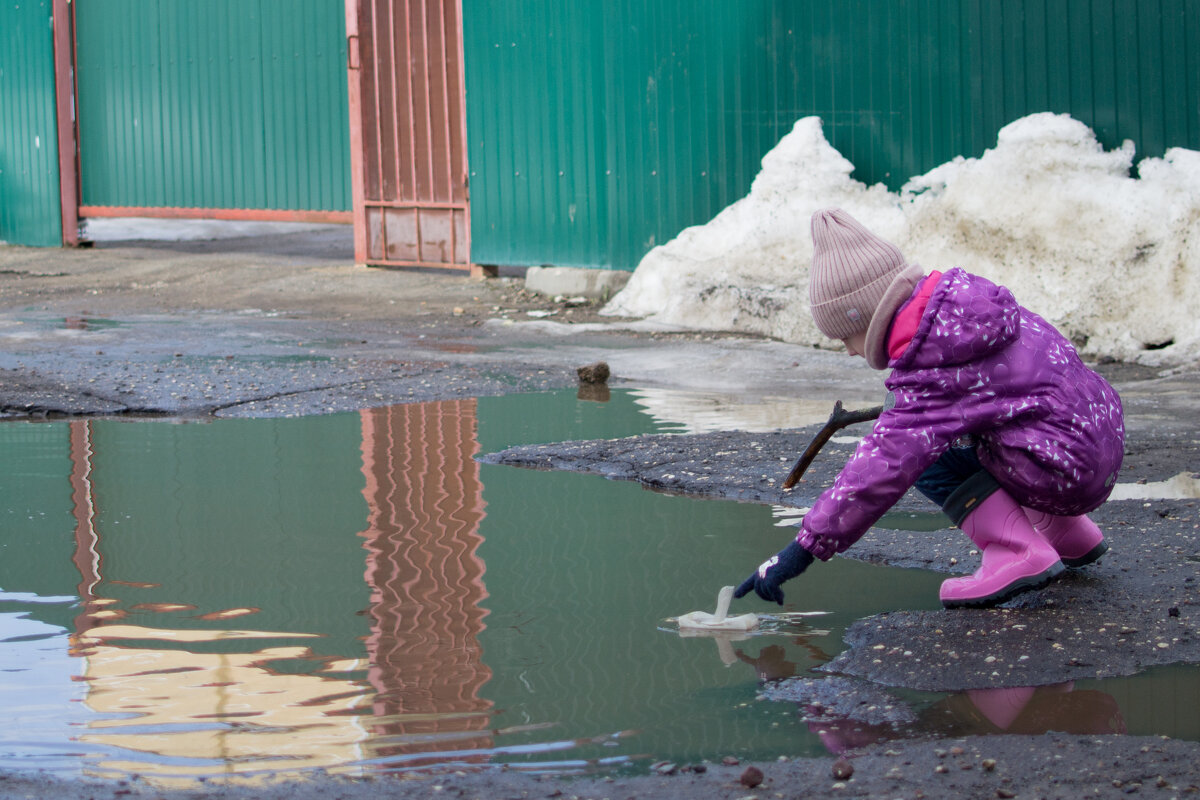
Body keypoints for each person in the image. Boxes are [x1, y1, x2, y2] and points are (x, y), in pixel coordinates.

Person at [735, 208, 1125, 609]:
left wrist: (801, 550)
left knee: (927, 456)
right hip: (1099, 449)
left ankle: (1017, 552)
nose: (849, 350)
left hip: (1064, 473)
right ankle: (1067, 533)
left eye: (844, 336)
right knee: (991, 425)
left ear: (867, 316)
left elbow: (882, 466)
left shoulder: (930, 363)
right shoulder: (968, 307)